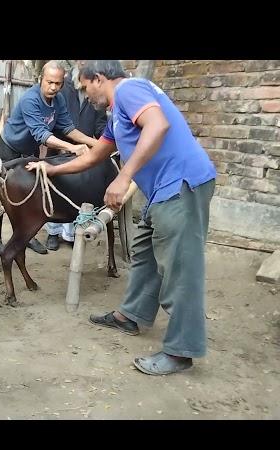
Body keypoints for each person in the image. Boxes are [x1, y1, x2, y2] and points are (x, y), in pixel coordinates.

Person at [26, 60, 217, 375]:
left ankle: (181, 351)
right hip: (162, 191)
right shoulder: (117, 114)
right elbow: (95, 156)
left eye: (86, 88)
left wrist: (123, 177)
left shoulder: (129, 90)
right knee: (145, 253)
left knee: (180, 269)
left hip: (182, 185)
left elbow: (158, 126)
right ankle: (131, 315)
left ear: (99, 79)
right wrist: (52, 169)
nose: (86, 97)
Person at [0, 60, 98, 255]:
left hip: (30, 149)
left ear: (62, 83)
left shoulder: (58, 100)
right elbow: (42, 135)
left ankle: (26, 236)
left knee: (30, 194)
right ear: (40, 79)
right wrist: (73, 147)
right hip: (11, 146)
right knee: (3, 196)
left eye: (58, 83)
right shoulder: (30, 99)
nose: (53, 87)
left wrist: (96, 145)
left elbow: (68, 127)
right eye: (49, 82)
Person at [45, 60, 109, 251]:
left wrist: (107, 139)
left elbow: (100, 124)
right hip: (59, 148)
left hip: (83, 151)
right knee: (56, 191)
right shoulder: (61, 85)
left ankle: (72, 233)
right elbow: (52, 118)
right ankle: (53, 232)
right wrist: (63, 145)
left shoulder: (97, 92)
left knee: (76, 192)